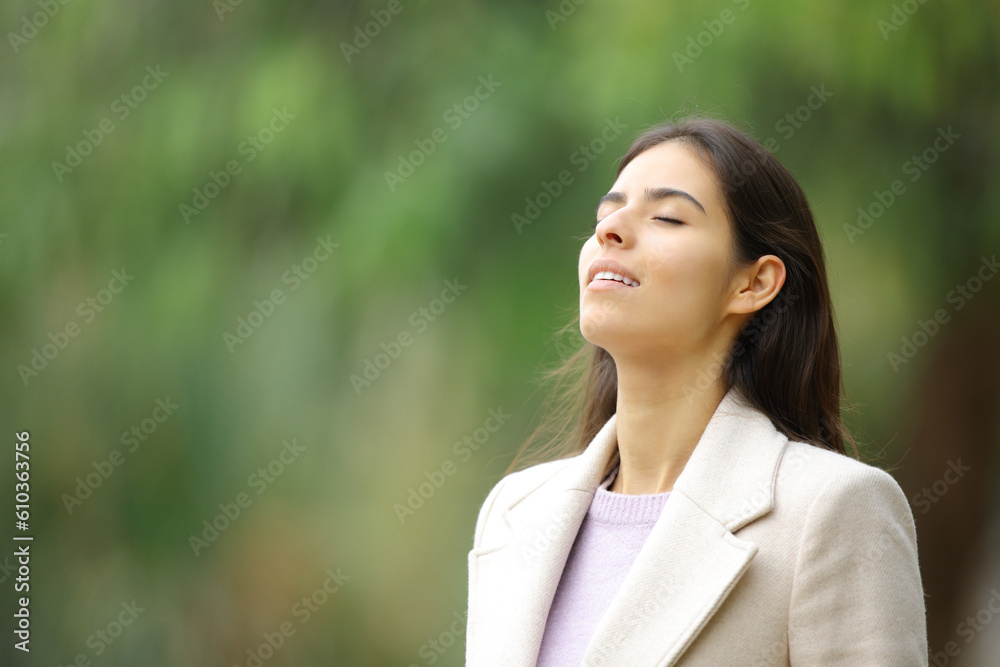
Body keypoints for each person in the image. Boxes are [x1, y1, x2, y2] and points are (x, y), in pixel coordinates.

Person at [465, 116, 928, 666]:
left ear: (753, 283)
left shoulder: (831, 509)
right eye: (606, 214)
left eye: (666, 216)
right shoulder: (515, 513)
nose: (609, 231)